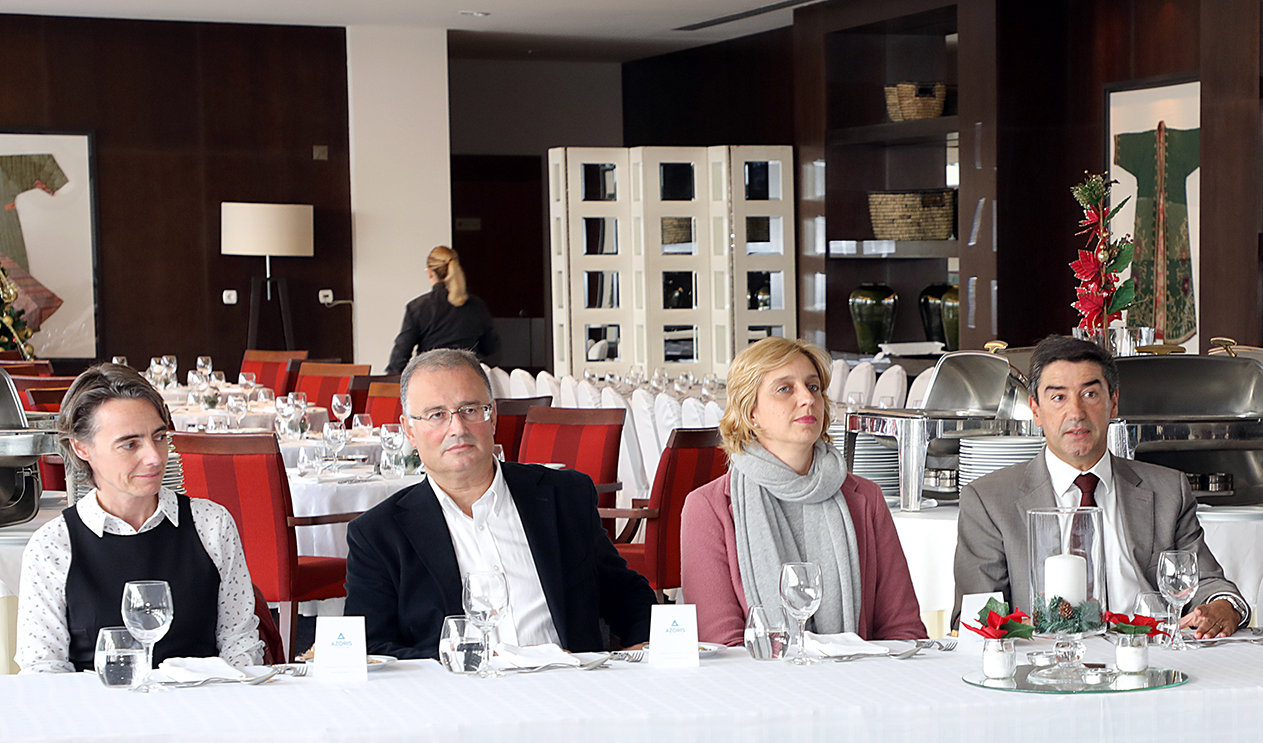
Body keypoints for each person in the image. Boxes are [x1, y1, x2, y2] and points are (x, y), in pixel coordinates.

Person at [344, 348, 658, 659]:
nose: (458, 428)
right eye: (436, 415)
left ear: (492, 416)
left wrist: (644, 646)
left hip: (567, 683)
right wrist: (475, 660)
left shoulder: (563, 497)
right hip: (455, 688)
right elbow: (372, 648)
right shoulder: (378, 534)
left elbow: (626, 595)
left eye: (470, 410)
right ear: (410, 431)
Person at [953, 335, 1247, 635]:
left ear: (1113, 403)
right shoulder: (989, 501)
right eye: (1058, 398)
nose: (1076, 413)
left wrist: (1224, 605)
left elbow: (1207, 583)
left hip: (1147, 650)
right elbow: (977, 617)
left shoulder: (1168, 490)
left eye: (1090, 394)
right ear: (1036, 410)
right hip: (1044, 655)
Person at [15, 364, 261, 673]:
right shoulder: (53, 545)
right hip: (97, 703)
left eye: (159, 437)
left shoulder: (211, 524)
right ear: (81, 448)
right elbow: (43, 668)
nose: (155, 457)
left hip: (202, 700)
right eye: (130, 444)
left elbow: (240, 643)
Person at [682, 337, 927, 646]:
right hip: (755, 676)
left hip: (858, 675)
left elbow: (904, 631)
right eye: (785, 389)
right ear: (750, 411)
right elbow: (721, 645)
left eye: (813, 387)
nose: (807, 399)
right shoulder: (708, 507)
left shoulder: (865, 499)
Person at [385, 246, 502, 374]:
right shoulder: (476, 306)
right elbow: (490, 348)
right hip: (467, 379)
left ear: (430, 272)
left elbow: (399, 358)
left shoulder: (418, 307)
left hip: (431, 379)